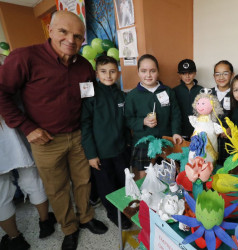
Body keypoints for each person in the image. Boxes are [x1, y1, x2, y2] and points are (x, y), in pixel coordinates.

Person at [0, 11, 107, 250]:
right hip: (46, 141)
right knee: (57, 189)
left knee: (83, 181)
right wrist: (27, 127)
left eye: (78, 36)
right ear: (50, 30)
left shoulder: (84, 67)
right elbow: (3, 94)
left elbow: (90, 100)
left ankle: (86, 217)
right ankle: (69, 228)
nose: (71, 39)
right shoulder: (24, 58)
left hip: (79, 135)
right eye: (64, 32)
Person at [81, 55, 132, 229]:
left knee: (123, 182)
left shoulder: (120, 94)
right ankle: (113, 214)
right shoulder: (90, 93)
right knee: (107, 186)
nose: (108, 76)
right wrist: (91, 154)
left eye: (112, 71)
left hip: (120, 150)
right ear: (96, 73)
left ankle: (125, 210)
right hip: (100, 153)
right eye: (103, 72)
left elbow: (125, 123)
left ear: (118, 73)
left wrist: (128, 144)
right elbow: (85, 126)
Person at [0, 117, 56, 249]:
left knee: (1, 193)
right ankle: (45, 222)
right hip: (14, 125)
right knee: (32, 177)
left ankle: (15, 239)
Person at [125, 54, 183, 179]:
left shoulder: (167, 91)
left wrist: (176, 132)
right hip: (143, 144)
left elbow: (175, 115)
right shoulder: (132, 96)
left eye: (152, 71)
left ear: (158, 71)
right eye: (144, 71)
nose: (148, 75)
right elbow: (128, 119)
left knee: (168, 177)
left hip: (166, 142)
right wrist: (143, 122)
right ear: (138, 72)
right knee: (145, 179)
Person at [211, 60, 234, 165]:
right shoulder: (208, 93)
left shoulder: (236, 93)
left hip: (229, 141)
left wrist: (232, 129)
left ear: (232, 75)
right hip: (211, 139)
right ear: (214, 76)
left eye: (225, 73)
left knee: (227, 168)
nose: (221, 77)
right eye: (218, 74)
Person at [173, 59, 203, 140]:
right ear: (179, 75)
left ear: (195, 73)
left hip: (197, 131)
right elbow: (173, 114)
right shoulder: (174, 91)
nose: (187, 76)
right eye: (183, 73)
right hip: (180, 132)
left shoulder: (202, 91)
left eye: (190, 73)